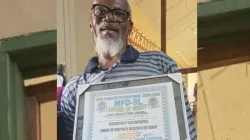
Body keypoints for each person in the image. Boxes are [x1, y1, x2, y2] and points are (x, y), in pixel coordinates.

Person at [61, 0, 197, 139]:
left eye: (119, 13)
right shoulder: (74, 89)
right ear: (91, 23)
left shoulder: (161, 63)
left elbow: (188, 132)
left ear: (129, 27)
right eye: (101, 11)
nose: (108, 17)